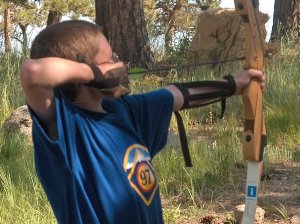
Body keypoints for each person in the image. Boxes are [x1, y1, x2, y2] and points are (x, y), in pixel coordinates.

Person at [20, 20, 265, 224]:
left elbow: (176, 95)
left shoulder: (123, 111)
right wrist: (95, 73)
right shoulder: (66, 128)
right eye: (111, 58)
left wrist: (234, 84)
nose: (119, 63)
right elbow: (33, 72)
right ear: (89, 72)